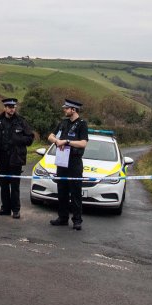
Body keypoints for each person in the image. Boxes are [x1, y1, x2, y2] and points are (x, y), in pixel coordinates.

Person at [0, 97, 35, 219]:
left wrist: (18, 140)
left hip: (15, 158)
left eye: (13, 107)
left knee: (14, 186)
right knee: (3, 185)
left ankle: (16, 210)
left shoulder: (21, 121)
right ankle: (5, 208)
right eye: (9, 107)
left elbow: (30, 138)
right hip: (1, 157)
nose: (12, 109)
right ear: (5, 108)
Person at [47, 98, 88, 230]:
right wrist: (56, 141)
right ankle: (63, 218)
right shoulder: (63, 123)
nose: (64, 110)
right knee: (62, 191)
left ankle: (77, 220)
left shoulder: (82, 124)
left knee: (75, 192)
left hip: (74, 162)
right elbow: (50, 136)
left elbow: (83, 143)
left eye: (66, 108)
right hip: (62, 161)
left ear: (73, 110)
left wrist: (67, 142)